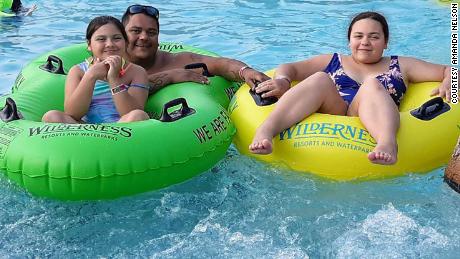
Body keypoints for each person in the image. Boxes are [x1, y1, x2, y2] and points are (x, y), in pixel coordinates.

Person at [249, 11, 451, 165]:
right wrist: (283, 80)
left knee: (372, 83)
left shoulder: (401, 65)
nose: (365, 42)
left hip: (372, 115)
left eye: (374, 37)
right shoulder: (333, 60)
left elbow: (449, 70)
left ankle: (387, 142)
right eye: (358, 36)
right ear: (349, 40)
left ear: (386, 42)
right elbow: (290, 67)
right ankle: (266, 130)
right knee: (320, 78)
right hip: (334, 110)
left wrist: (449, 80)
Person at [121, 4, 282, 95]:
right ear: (122, 34)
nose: (144, 37)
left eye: (151, 33)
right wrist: (171, 76)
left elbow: (220, 64)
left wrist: (245, 71)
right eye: (136, 31)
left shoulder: (176, 61)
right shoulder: (110, 63)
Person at [42, 15, 150, 124]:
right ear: (89, 45)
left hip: (121, 130)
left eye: (117, 38)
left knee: (138, 115)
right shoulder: (78, 71)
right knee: (51, 116)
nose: (110, 44)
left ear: (126, 43)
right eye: (101, 39)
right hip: (86, 131)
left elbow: (130, 113)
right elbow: (73, 113)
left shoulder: (136, 72)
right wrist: (91, 75)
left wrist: (114, 79)